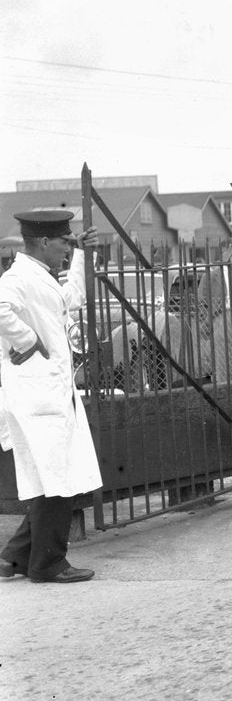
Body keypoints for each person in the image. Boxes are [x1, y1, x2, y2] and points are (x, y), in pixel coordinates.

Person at [0, 211, 102, 583]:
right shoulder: (17, 279)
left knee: (53, 478)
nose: (66, 249)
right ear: (44, 242)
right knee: (57, 477)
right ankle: (48, 564)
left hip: (49, 393)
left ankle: (14, 558)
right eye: (65, 243)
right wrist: (27, 341)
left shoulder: (38, 277)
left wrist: (83, 257)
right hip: (37, 397)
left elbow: (70, 298)